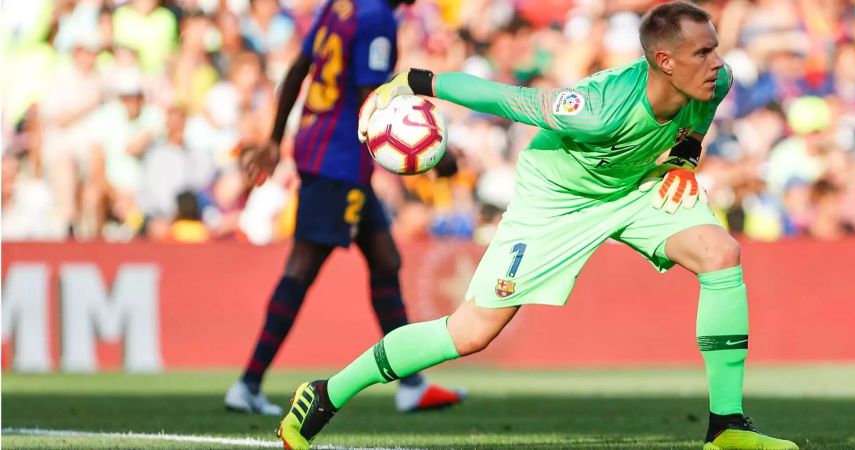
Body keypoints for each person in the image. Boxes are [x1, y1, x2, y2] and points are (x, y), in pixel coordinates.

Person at [272, 3, 800, 449]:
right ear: (664, 61)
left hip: (637, 185)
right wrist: (415, 80)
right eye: (702, 53)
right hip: (556, 200)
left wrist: (685, 156)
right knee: (470, 332)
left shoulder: (719, 80)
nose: (717, 62)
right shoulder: (595, 111)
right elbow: (506, 98)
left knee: (720, 253)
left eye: (714, 48)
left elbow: (695, 122)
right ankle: (325, 393)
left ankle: (726, 426)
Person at [228, 0, 465, 416]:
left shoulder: (339, 6)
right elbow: (370, 98)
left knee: (385, 261)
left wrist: (275, 138)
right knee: (301, 268)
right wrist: (436, 154)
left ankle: (411, 383)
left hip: (323, 150)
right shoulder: (376, 18)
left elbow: (300, 68)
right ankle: (248, 383)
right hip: (337, 161)